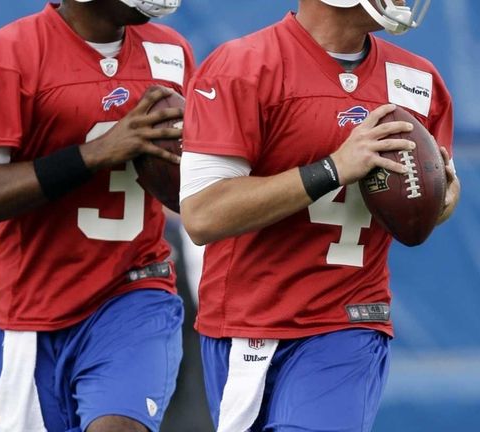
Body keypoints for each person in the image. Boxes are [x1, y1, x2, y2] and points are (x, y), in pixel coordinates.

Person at [179, 0, 459, 430]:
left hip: (349, 322)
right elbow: (203, 215)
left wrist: (441, 201)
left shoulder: (417, 81)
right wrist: (332, 169)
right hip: (248, 322)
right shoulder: (242, 66)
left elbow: (418, 207)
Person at [0, 0, 194, 431]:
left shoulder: (172, 51)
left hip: (136, 292)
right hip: (36, 310)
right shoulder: (6, 53)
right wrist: (96, 154)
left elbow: (189, 191)